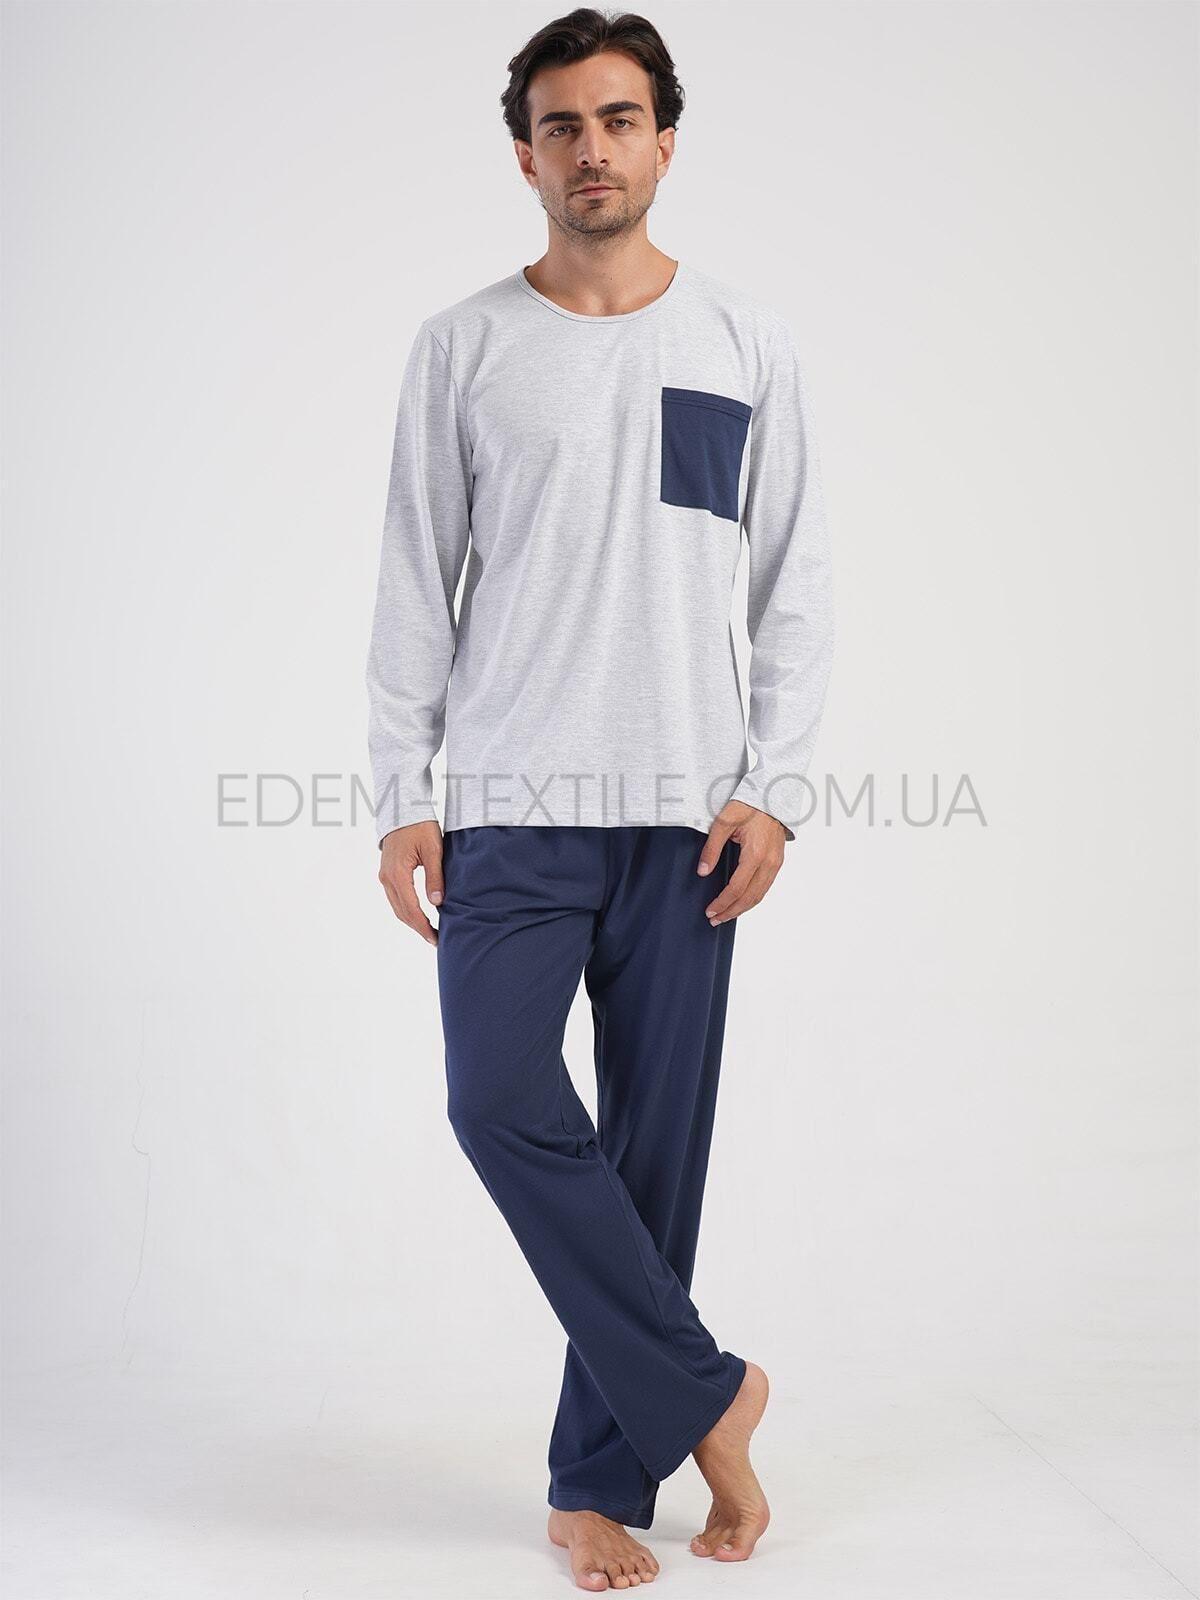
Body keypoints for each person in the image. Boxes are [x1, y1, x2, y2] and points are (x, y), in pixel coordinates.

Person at [366, 8, 834, 1591]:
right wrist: (402, 791)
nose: (592, 148)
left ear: (665, 142)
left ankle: (592, 1483)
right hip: (508, 802)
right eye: (561, 124)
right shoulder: (464, 346)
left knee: (652, 1155)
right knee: (497, 1096)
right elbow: (414, 580)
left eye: (619, 118)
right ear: (525, 155)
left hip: (690, 815)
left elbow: (795, 581)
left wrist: (775, 791)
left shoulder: (745, 340)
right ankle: (710, 1394)